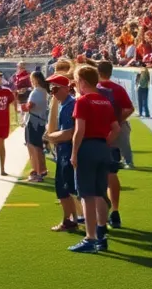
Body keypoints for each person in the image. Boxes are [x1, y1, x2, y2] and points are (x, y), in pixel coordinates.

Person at [69, 64, 120, 254]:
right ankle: (101, 233)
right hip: (102, 148)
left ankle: (90, 237)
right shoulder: (105, 101)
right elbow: (116, 128)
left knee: (87, 195)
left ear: (82, 81)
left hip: (87, 147)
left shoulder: (82, 101)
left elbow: (79, 130)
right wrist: (105, 141)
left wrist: (74, 152)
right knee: (100, 193)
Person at [96, 60, 135, 226]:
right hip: (112, 135)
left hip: (98, 136)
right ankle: (115, 211)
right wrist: (118, 122)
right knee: (111, 174)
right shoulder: (117, 88)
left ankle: (102, 213)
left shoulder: (95, 89)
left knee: (99, 174)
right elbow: (129, 108)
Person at [45, 75, 80, 232]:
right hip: (63, 151)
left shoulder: (69, 105)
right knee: (63, 188)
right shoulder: (63, 104)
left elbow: (68, 133)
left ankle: (75, 220)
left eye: (56, 89)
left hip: (67, 151)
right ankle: (70, 219)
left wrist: (50, 137)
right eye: (51, 89)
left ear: (66, 88)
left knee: (68, 189)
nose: (53, 93)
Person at [22, 71, 50, 183]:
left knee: (33, 147)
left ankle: (38, 171)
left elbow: (30, 106)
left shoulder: (36, 92)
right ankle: (41, 170)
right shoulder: (44, 91)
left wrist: (22, 105)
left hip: (33, 121)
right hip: (40, 121)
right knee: (37, 146)